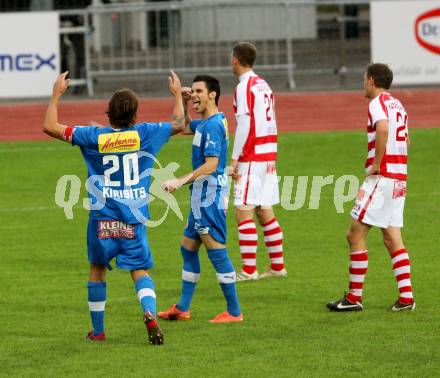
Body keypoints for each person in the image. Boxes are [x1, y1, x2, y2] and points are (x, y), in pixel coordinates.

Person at [43, 70, 185, 344]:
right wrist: (177, 94)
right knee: (140, 271)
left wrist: (56, 94)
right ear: (135, 114)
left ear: (108, 112)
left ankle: (98, 332)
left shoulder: (93, 136)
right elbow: (179, 123)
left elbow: (50, 126)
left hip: (102, 219)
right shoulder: (146, 134)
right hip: (134, 217)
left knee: (97, 269)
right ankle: (149, 313)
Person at [327, 63, 415, 312]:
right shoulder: (399, 104)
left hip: (382, 177)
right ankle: (406, 297)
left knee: (354, 234)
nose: (363, 83)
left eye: (365, 79)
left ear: (372, 81)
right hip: (399, 177)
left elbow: (383, 128)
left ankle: (354, 298)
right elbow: (406, 140)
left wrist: (376, 164)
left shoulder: (377, 103)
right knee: (391, 237)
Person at [158, 75, 243, 323]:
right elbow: (183, 126)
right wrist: (181, 100)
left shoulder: (214, 125)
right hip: (200, 197)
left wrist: (180, 180)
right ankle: (183, 307)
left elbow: (212, 164)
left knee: (217, 252)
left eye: (198, 91)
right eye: (192, 91)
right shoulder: (206, 123)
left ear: (212, 94)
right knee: (188, 248)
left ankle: (235, 312)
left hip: (209, 197)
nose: (194, 95)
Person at [229, 41, 287, 281]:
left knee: (243, 211)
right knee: (265, 211)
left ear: (235, 59)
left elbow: (244, 124)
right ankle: (277, 266)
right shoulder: (263, 84)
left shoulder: (244, 87)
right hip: (268, 154)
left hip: (252, 155)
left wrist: (234, 159)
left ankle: (249, 271)